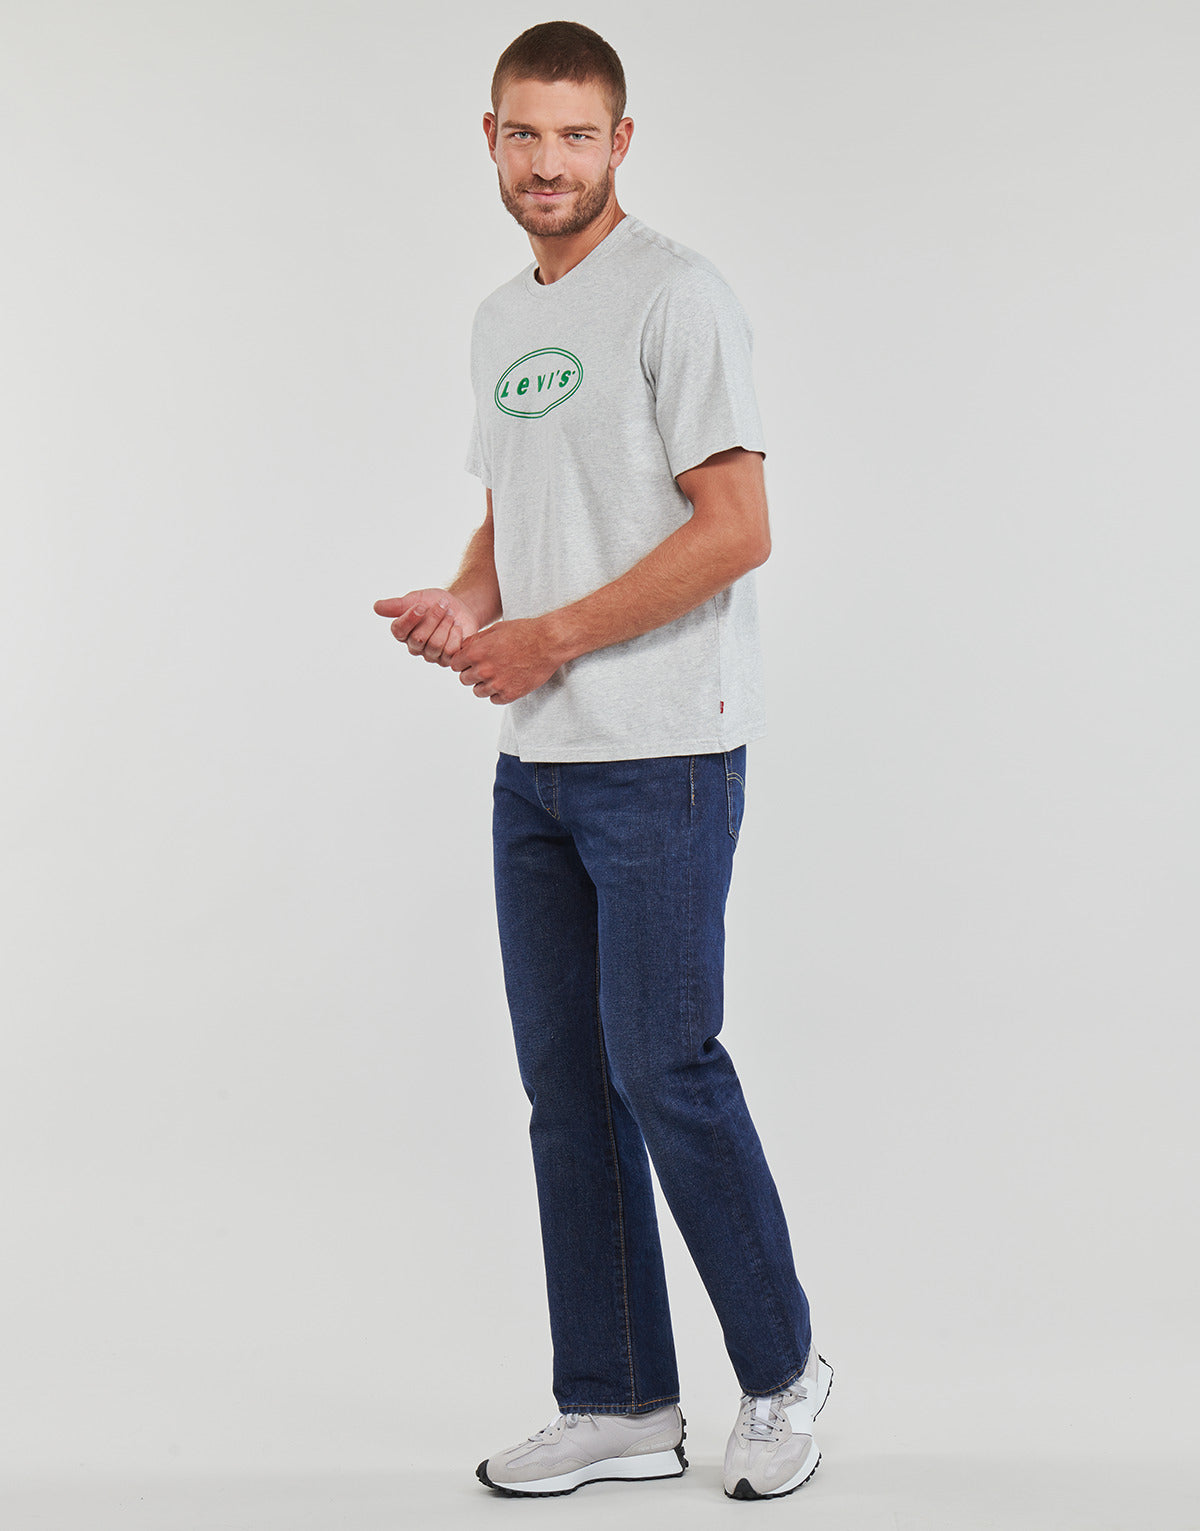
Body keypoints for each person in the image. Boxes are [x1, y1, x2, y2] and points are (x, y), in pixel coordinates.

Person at [374, 20, 833, 1502]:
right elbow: (516, 510)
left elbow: (738, 528)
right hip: (539, 767)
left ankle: (785, 1374)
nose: (549, 162)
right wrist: (472, 604)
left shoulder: (678, 297)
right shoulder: (500, 318)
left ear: (621, 143)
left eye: (578, 136)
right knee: (569, 1089)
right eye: (525, 133)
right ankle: (621, 1398)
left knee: (665, 1068)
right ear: (490, 139)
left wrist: (554, 637)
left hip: (665, 753)